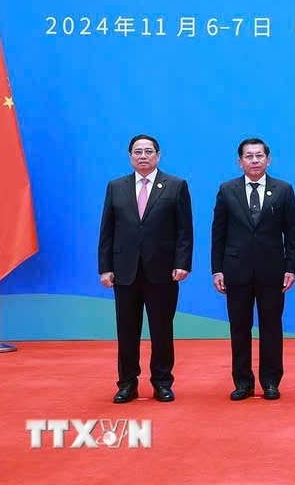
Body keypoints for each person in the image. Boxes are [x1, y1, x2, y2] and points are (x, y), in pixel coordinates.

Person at [98, 134, 194, 403]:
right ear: (130, 156)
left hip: (163, 272)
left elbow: (184, 230)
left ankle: (162, 382)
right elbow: (107, 230)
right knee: (126, 330)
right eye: (137, 152)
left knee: (162, 330)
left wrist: (182, 263)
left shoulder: (175, 186)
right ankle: (127, 383)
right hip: (124, 272)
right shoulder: (116, 187)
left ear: (158, 155)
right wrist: (105, 268)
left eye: (148, 151)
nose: (143, 156)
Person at [211, 138, 295, 401]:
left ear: (268, 160)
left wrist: (291, 267)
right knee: (239, 328)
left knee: (271, 327)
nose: (254, 161)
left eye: (259, 156)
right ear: (240, 162)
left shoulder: (283, 189)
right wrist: (217, 269)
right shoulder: (227, 190)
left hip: (273, 271)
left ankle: (271, 381)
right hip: (235, 270)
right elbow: (218, 233)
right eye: (248, 156)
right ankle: (243, 382)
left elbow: (292, 233)